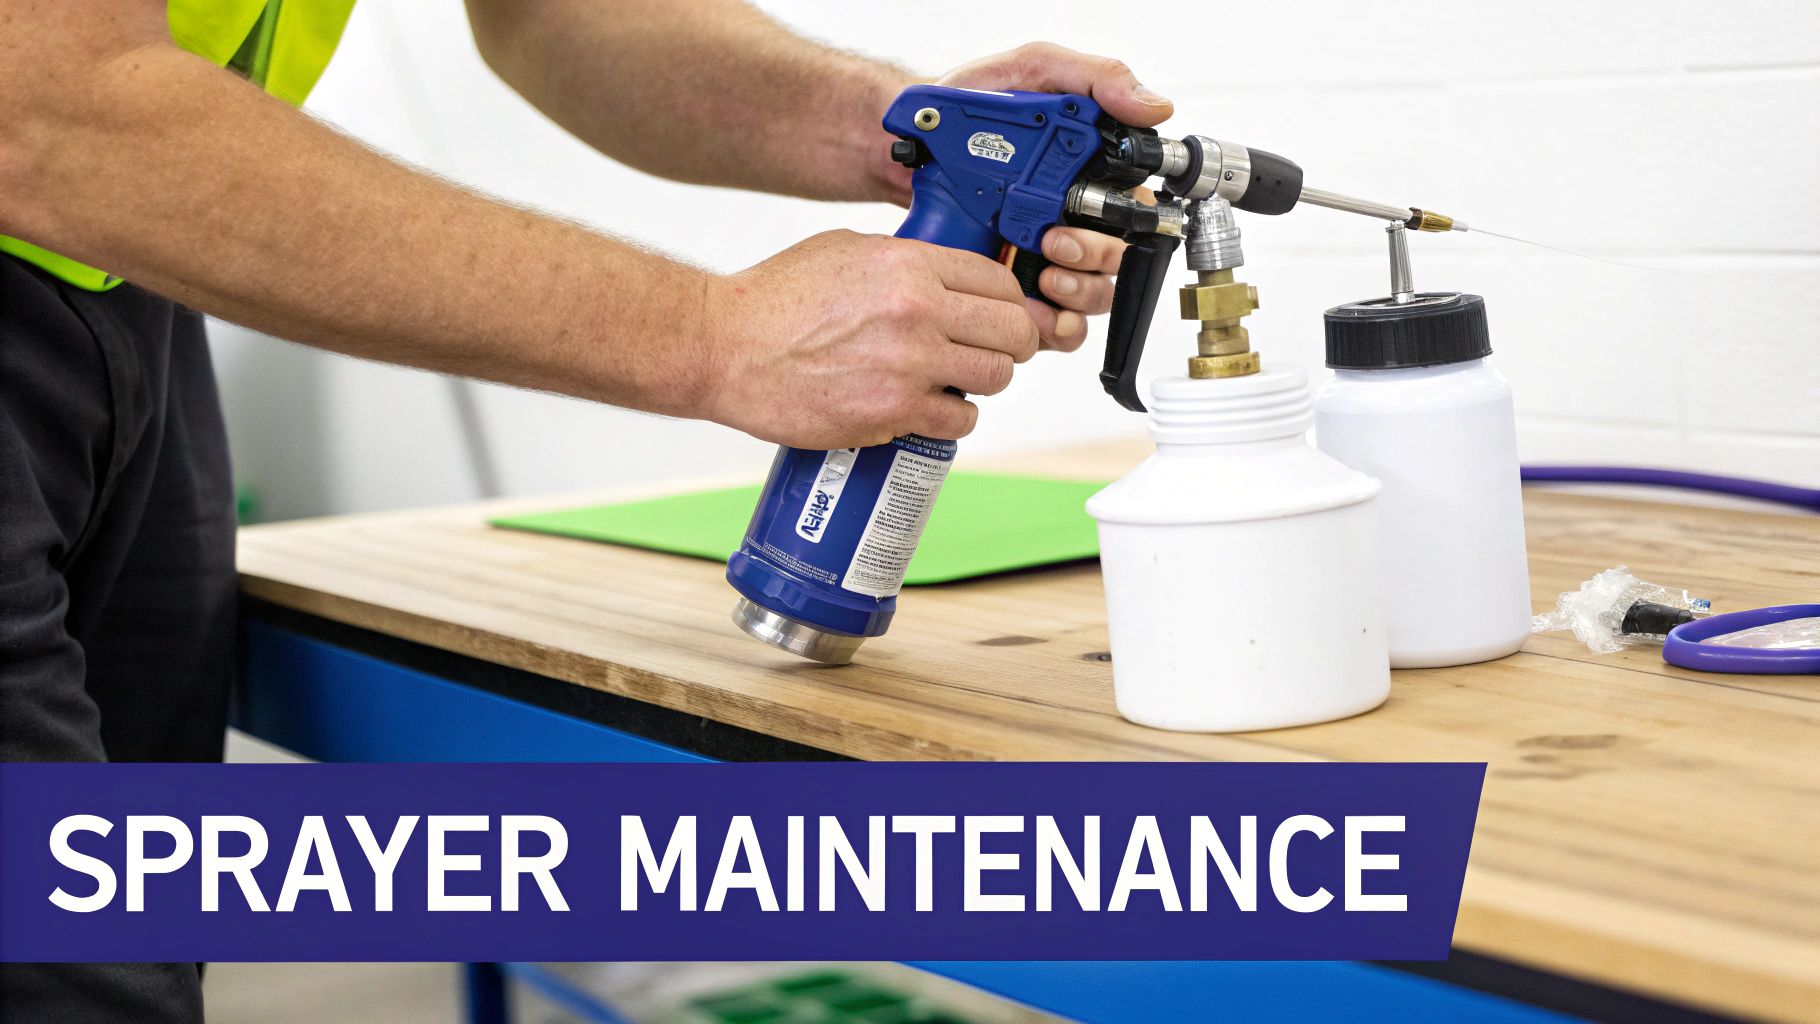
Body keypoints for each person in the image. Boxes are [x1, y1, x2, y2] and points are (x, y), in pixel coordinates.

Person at [0, 1, 1172, 1019]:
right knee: (73, 980)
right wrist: (714, 337)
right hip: (59, 213)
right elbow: (45, 109)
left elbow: (562, 13)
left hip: (122, 288)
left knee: (132, 925)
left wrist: (914, 130)